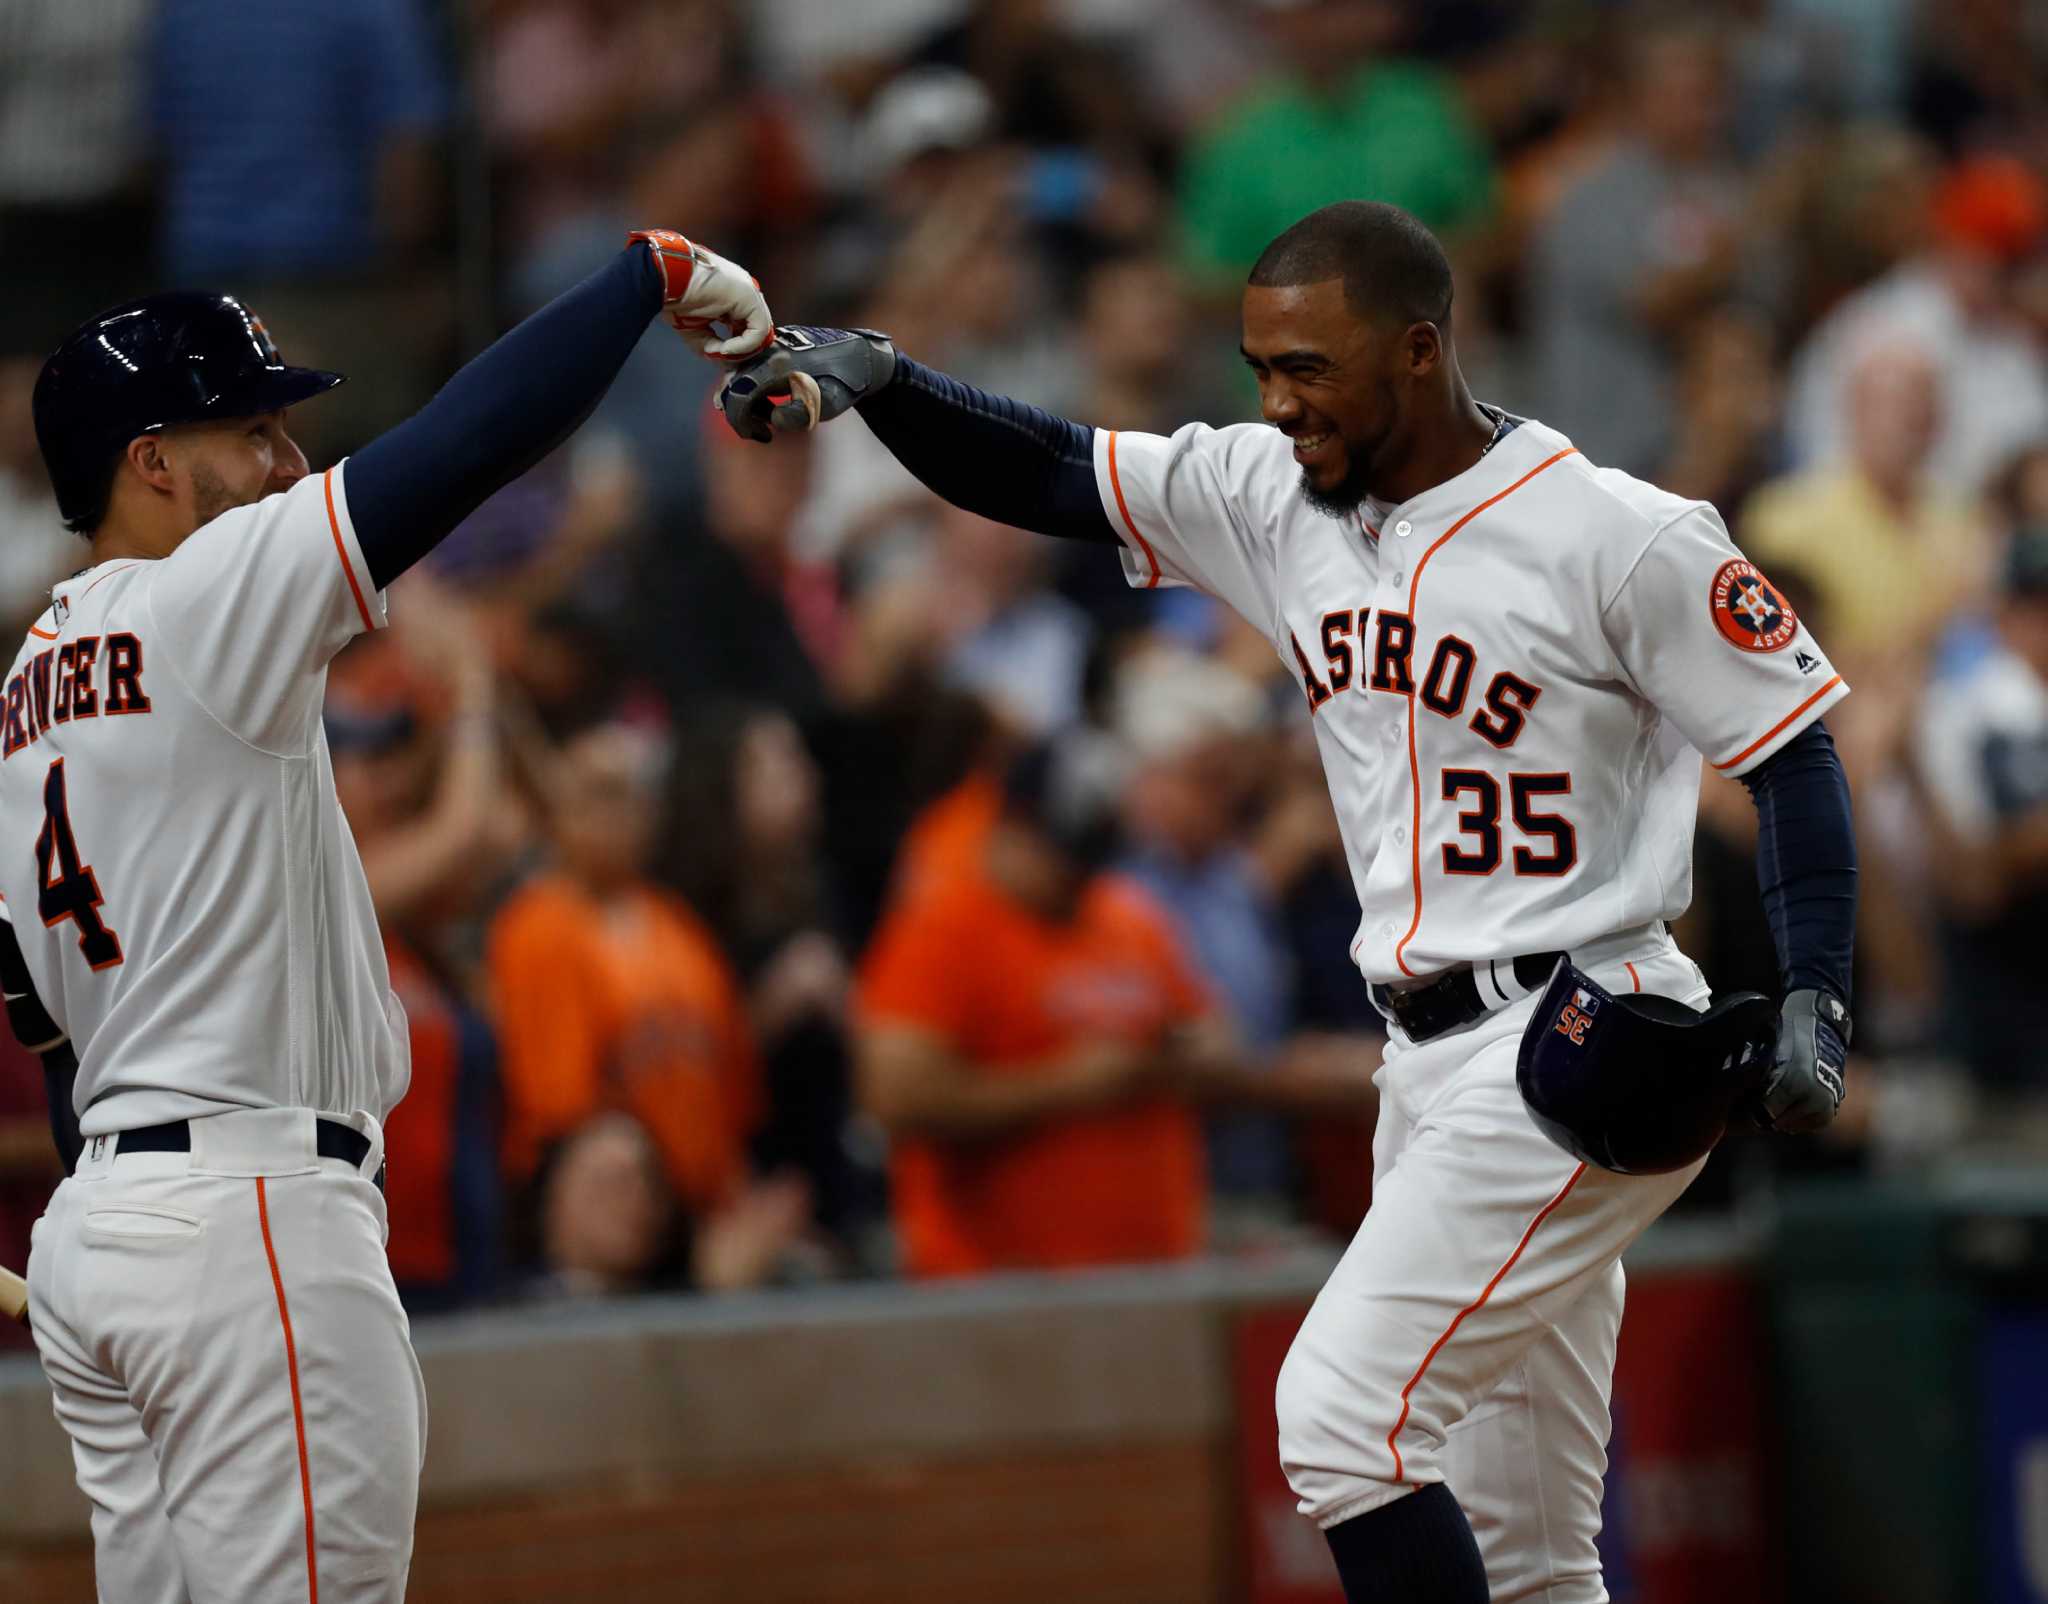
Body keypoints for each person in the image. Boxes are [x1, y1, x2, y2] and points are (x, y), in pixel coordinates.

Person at [720, 200, 1858, 1602]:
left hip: (1579, 1031)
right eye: (1261, 366)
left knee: (1339, 1423)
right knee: (1528, 1560)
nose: (1277, 401)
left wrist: (1817, 985)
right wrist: (890, 387)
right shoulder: (1271, 496)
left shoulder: (1616, 535)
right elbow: (1056, 471)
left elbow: (1789, 748)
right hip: (1423, 1055)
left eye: (1309, 367)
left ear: (1419, 349)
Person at [5, 228, 771, 1600]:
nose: (289, 460)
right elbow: (459, 452)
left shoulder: (18, 701)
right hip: (248, 1219)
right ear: (152, 463)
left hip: (110, 1236)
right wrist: (641, 276)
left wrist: (118, 1220)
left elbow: (37, 1018)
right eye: (252, 428)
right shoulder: (204, 600)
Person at [855, 736, 1219, 1278]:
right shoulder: (942, 930)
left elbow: (1210, 1037)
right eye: (1065, 855)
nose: (1080, 876)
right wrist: (1069, 1083)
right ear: (1011, 828)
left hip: (1150, 1278)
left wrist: (1180, 1055)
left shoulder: (1130, 918)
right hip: (999, 1289)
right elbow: (895, 1096)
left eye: (1093, 857)